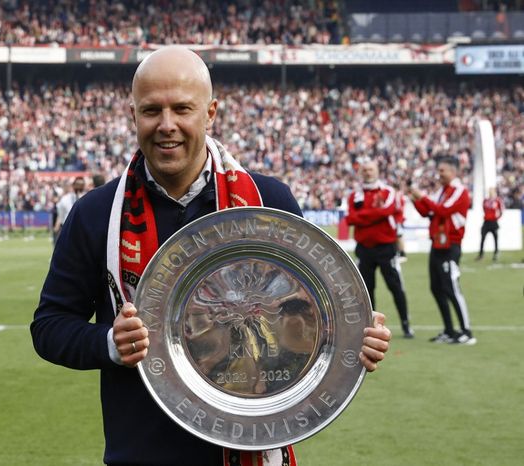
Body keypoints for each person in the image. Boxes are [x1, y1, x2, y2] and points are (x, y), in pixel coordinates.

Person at [31, 46, 391, 466]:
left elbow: (314, 317)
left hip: (253, 446)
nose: (167, 125)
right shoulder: (97, 214)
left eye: (182, 109)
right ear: (133, 116)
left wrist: (356, 339)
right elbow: (49, 326)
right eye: (152, 111)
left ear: (211, 112)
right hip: (142, 453)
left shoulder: (269, 202)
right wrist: (109, 342)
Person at [409, 156, 475, 345]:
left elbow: (442, 211)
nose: (439, 175)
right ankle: (449, 330)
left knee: (452, 289)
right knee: (437, 288)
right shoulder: (444, 191)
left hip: (450, 246)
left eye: (442, 171)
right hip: (438, 244)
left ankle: (466, 331)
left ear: (453, 171)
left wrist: (421, 196)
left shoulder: (459, 190)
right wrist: (413, 198)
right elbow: (428, 212)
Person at [346, 160, 413, 338]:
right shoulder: (355, 195)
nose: (368, 172)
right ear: (361, 173)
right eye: (365, 170)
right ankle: (370, 327)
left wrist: (363, 217)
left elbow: (387, 210)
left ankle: (406, 324)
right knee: (366, 291)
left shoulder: (388, 192)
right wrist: (375, 215)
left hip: (386, 248)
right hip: (364, 249)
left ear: (377, 171)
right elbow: (350, 219)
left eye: (371, 169)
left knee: (396, 286)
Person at [477, 187, 504, 262]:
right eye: (490, 192)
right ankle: (481, 254)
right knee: (482, 238)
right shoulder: (485, 201)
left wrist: (496, 217)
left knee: (495, 239)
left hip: (493, 222)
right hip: (486, 222)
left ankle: (496, 253)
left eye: (492, 192)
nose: (490, 193)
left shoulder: (497, 201)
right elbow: (484, 209)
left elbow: (501, 210)